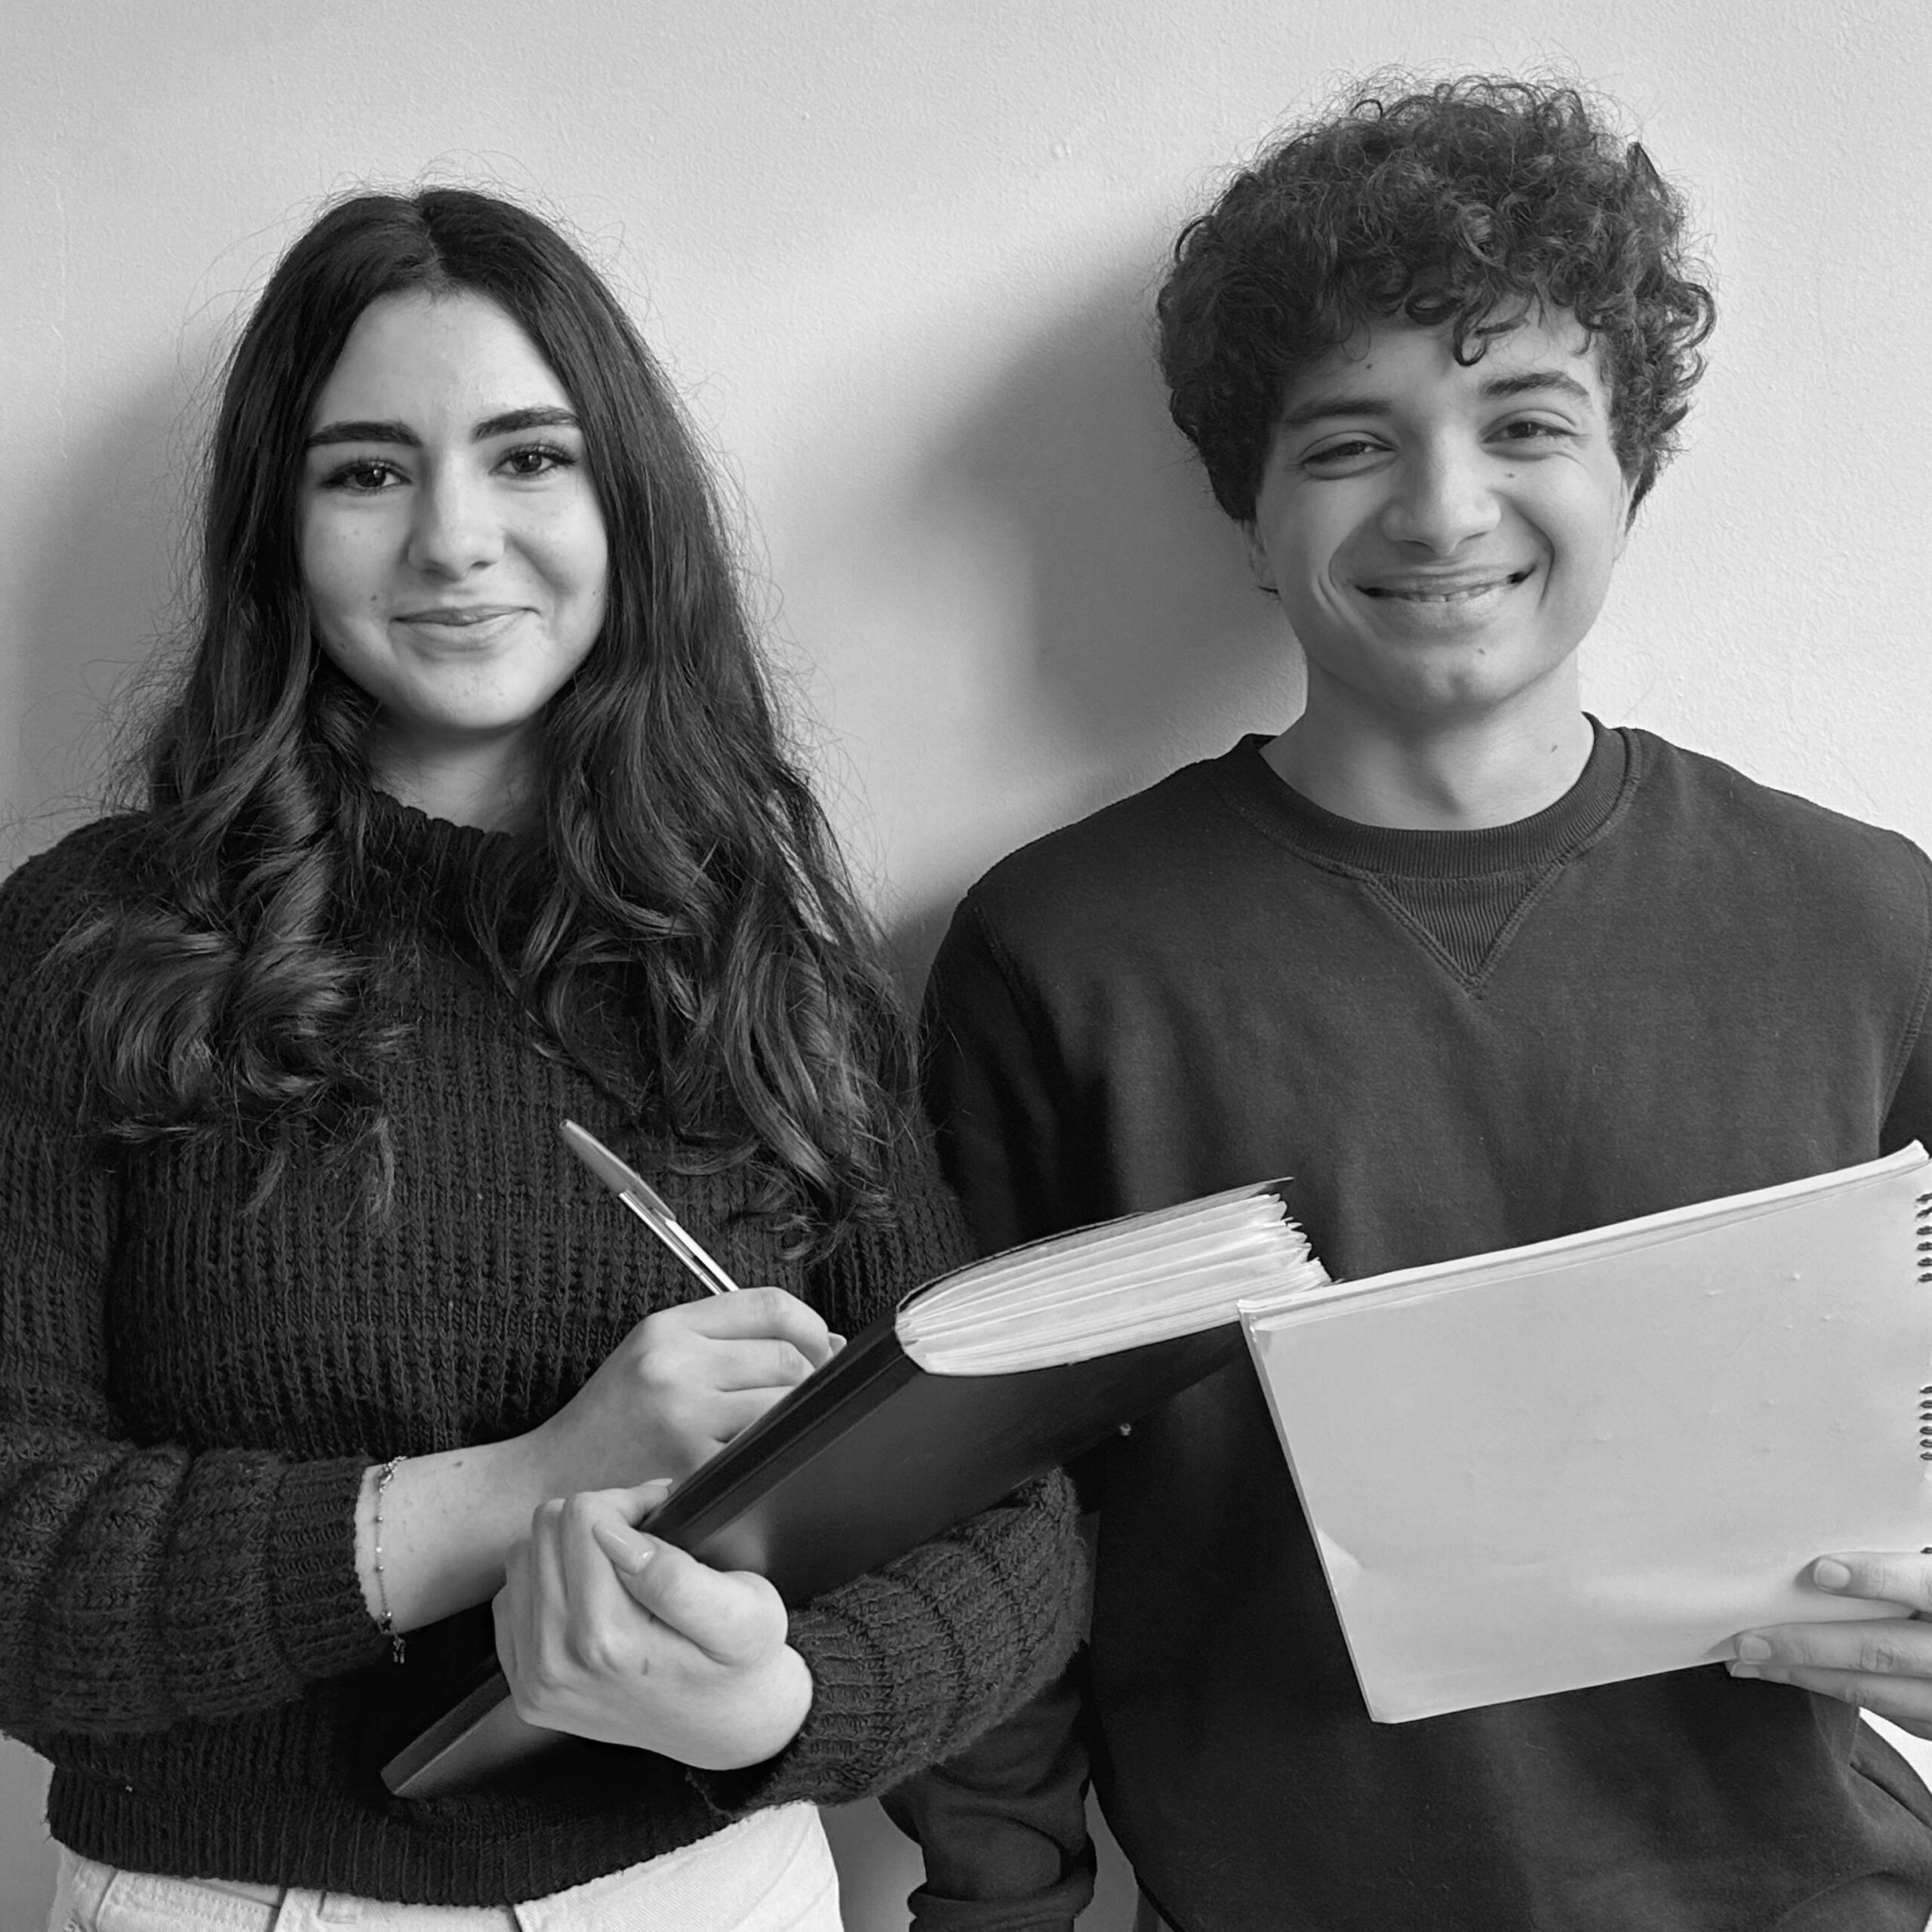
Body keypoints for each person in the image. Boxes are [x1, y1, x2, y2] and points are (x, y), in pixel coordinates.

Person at [907, 75, 1932, 1932]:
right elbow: (985, 1509)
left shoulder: (1866, 919)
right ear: (1248, 510)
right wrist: (998, 1907)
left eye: (1523, 420)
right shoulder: (1059, 951)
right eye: (1347, 440)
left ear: (1628, 470)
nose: (1443, 504)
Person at [0, 186, 1084, 1931]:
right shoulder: (94, 942)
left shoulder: (764, 960)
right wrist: (524, 1484)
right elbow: (16, 1560)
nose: (454, 539)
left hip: (709, 1886)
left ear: (623, 507)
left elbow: (1011, 1521)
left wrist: (771, 1703)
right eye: (368, 471)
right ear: (279, 531)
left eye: (527, 457)